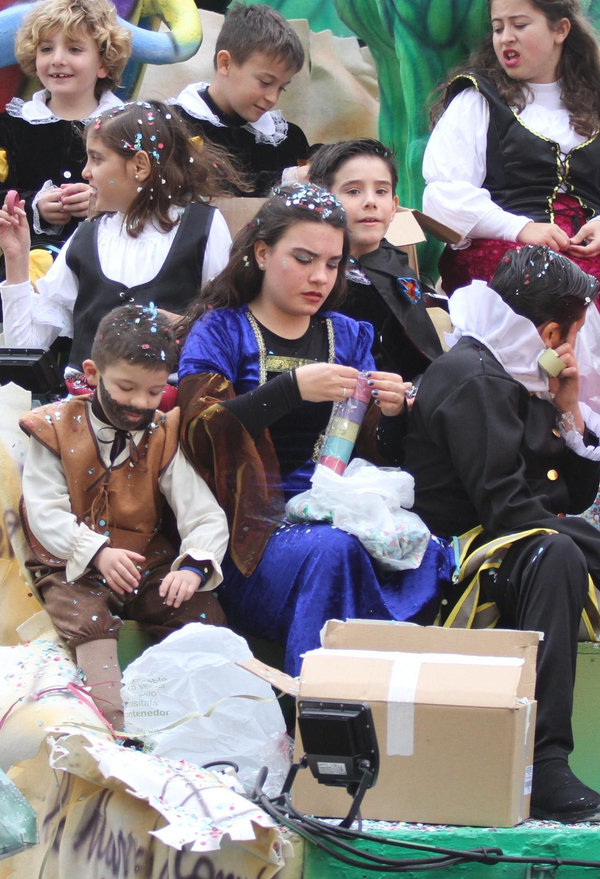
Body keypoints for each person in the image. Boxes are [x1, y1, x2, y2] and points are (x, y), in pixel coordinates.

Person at [402, 245, 600, 823]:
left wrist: (571, 413)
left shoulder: (524, 373)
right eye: (577, 334)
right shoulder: (472, 379)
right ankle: (544, 763)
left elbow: (570, 498)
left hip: (524, 541)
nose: (579, 347)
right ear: (553, 331)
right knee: (558, 552)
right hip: (461, 562)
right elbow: (508, 510)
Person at [176, 184, 453, 675]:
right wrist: (289, 390)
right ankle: (318, 712)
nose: (319, 277)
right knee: (333, 552)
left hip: (335, 510)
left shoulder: (346, 335)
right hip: (247, 534)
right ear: (262, 253)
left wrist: (390, 414)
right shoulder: (222, 330)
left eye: (332, 263)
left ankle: (375, 708)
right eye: (303, 259)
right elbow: (199, 435)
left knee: (427, 552)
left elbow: (373, 453)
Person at [421, 0, 600, 441]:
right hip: (504, 246)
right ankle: (544, 427)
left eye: (520, 24)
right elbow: (444, 194)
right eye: (498, 26)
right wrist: (521, 229)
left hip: (587, 248)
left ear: (561, 29)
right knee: (536, 280)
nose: (506, 37)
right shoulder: (478, 100)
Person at [20, 305, 229, 728]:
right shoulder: (54, 427)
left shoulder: (162, 435)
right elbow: (44, 511)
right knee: (86, 615)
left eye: (154, 393)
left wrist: (193, 565)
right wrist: (95, 552)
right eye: (126, 387)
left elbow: (202, 512)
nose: (139, 403)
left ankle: (207, 722)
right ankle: (112, 726)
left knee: (200, 612)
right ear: (94, 374)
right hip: (73, 563)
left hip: (144, 560)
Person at [0, 99, 235, 367]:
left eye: (96, 158)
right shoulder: (86, 237)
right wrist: (16, 261)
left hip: (169, 404)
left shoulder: (203, 228)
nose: (85, 172)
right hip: (86, 405)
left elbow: (228, 334)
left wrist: (183, 327)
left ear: (140, 166)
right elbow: (24, 347)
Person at [0, 0, 130, 289]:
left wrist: (102, 201)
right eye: (47, 48)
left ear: (104, 63)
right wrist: (33, 206)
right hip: (28, 278)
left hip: (112, 278)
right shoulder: (9, 127)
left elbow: (156, 198)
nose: (57, 59)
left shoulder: (128, 128)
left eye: (75, 49)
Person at [308, 139, 444, 380]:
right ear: (322, 200)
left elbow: (420, 357)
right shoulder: (311, 275)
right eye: (353, 191)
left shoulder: (396, 266)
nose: (370, 202)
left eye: (381, 191)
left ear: (393, 207)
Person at [171, 2, 312, 196]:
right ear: (225, 63)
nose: (273, 98)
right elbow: (210, 189)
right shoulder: (173, 127)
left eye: (282, 88)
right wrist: (286, 179)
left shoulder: (288, 140)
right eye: (265, 82)